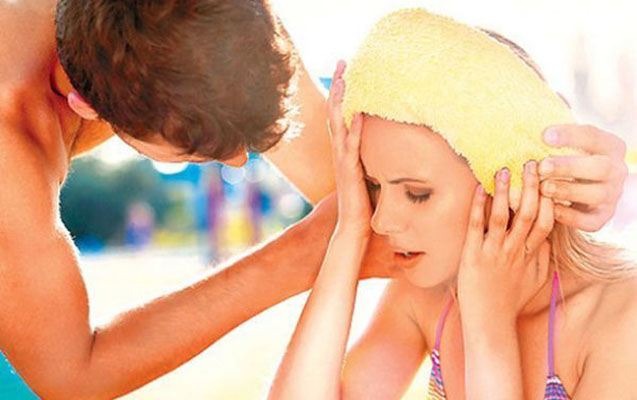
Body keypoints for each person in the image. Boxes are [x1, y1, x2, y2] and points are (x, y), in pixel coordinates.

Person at [0, 1, 629, 399]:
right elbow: (69, 375)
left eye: (249, 135)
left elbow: (391, 173)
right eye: (200, 149)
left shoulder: (199, 21)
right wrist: (311, 249)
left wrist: (560, 166)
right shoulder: (11, 144)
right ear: (85, 102)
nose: (241, 162)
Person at [268, 9, 636, 400]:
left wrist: (489, 329)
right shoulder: (426, 295)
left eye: (417, 193)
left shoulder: (621, 316)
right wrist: (349, 231)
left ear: (509, 181)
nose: (382, 221)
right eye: (374, 185)